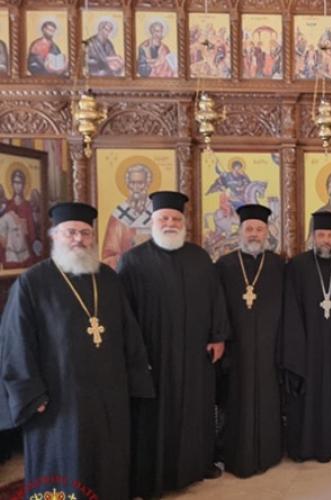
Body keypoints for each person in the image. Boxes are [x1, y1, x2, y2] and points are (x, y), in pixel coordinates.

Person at [0, 202, 153, 499]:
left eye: (85, 233)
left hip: (109, 395)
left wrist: (135, 379)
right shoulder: (33, 283)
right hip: (59, 400)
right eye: (70, 232)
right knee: (63, 464)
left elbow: (129, 333)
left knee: (108, 461)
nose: (78, 239)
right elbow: (15, 342)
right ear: (55, 235)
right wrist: (30, 393)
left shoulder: (108, 279)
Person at [118, 191, 230, 498]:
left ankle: (197, 465)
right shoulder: (133, 261)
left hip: (196, 354)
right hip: (154, 357)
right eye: (164, 218)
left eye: (176, 219)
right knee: (156, 416)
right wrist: (134, 355)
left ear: (184, 222)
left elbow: (216, 299)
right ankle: (155, 475)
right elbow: (123, 314)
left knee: (196, 410)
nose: (170, 223)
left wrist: (218, 336)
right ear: (152, 221)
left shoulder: (199, 257)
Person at [215, 204, 287, 477]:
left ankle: (269, 452)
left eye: (259, 229)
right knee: (236, 400)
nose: (254, 234)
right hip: (237, 349)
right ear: (240, 231)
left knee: (269, 400)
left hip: (269, 348)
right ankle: (235, 454)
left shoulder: (279, 265)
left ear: (267, 232)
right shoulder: (224, 265)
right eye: (249, 229)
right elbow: (215, 306)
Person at [283, 211, 331, 462]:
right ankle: (305, 448)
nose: (325, 240)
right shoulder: (297, 266)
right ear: (313, 237)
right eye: (321, 235)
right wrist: (295, 348)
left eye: (330, 236)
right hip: (306, 344)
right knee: (307, 396)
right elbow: (290, 308)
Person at [101, 163, 154, 268]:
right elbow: (108, 256)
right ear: (128, 184)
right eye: (132, 183)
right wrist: (131, 254)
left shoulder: (157, 213)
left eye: (140, 183)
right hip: (126, 271)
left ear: (147, 183)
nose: (136, 187)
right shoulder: (119, 215)